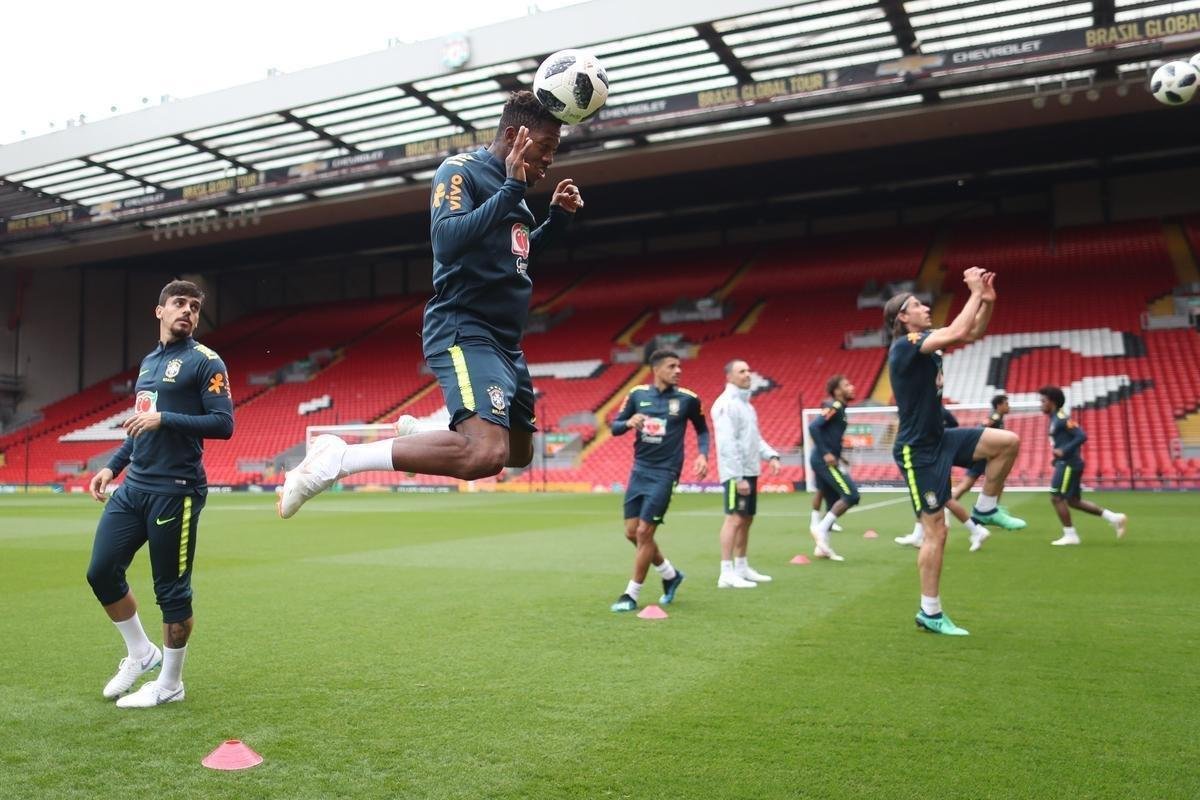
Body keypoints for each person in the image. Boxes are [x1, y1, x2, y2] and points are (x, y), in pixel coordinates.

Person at [276, 91, 583, 517]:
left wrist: (556, 223)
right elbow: (449, 240)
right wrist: (511, 189)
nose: (550, 160)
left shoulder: (514, 194)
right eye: (546, 148)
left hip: (506, 343)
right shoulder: (461, 171)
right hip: (466, 328)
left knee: (517, 452)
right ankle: (339, 459)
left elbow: (515, 256)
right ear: (514, 136)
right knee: (484, 454)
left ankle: (429, 431)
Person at [85, 280, 234, 707]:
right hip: (134, 489)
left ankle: (170, 683)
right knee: (101, 571)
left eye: (194, 306)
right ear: (160, 311)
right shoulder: (149, 362)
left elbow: (224, 424)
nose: (187, 311)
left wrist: (166, 418)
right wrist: (112, 466)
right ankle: (140, 652)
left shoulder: (207, 361)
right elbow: (140, 425)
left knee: (171, 591)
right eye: (179, 304)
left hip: (176, 490)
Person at [883, 269, 1025, 636]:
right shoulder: (904, 346)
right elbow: (960, 331)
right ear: (902, 316)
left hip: (940, 437)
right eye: (917, 305)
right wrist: (974, 292)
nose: (926, 307)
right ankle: (930, 612)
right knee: (937, 533)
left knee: (1006, 442)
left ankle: (987, 508)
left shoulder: (925, 341)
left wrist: (987, 302)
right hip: (918, 451)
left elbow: (972, 331)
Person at [609, 350, 709, 612]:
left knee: (644, 532)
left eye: (679, 366)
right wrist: (629, 421)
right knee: (631, 532)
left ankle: (631, 594)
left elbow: (702, 430)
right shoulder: (637, 395)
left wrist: (702, 455)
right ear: (656, 369)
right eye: (672, 366)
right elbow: (614, 427)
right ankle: (670, 574)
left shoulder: (688, 399)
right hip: (639, 470)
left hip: (666, 472)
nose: (678, 370)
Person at [711, 359, 781, 588]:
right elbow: (727, 443)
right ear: (729, 377)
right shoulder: (726, 404)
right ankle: (726, 572)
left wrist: (771, 455)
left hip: (750, 469)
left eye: (749, 370)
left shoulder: (747, 405)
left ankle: (741, 567)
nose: (747, 374)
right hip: (736, 473)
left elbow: (753, 438)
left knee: (747, 519)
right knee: (734, 518)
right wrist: (737, 477)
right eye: (742, 371)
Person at [894, 405, 993, 553]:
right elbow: (953, 424)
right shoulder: (932, 406)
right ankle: (975, 531)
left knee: (933, 497)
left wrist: (937, 438)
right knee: (944, 499)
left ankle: (924, 535)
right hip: (934, 457)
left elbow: (952, 425)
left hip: (930, 459)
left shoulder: (927, 407)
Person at [1038, 386, 1127, 545]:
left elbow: (1081, 435)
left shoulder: (1062, 418)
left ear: (1052, 402)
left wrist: (1063, 451)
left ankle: (1070, 535)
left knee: (1056, 497)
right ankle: (1114, 518)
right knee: (1072, 501)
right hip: (1066, 463)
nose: (1041, 404)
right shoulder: (1054, 419)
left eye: (1043, 401)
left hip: (1068, 464)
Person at [807, 374, 860, 561]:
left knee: (831, 502)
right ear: (837, 391)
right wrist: (826, 453)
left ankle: (822, 548)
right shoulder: (834, 406)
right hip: (823, 461)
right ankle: (820, 528)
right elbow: (814, 427)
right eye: (847, 385)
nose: (852, 387)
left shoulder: (841, 409)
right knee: (851, 495)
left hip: (827, 458)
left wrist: (840, 456)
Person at [952, 394, 1010, 502]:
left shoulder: (998, 418)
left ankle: (949, 505)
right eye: (1006, 404)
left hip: (984, 456)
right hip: (983, 457)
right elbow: (981, 427)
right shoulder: (995, 417)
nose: (1008, 406)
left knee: (968, 484)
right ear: (999, 405)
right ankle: (991, 509)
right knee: (996, 484)